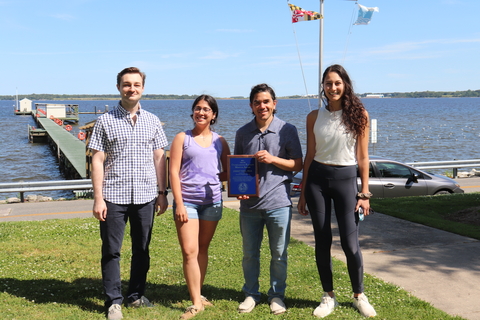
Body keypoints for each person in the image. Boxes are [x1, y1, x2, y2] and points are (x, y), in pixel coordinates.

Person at [297, 64, 377, 318]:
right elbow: (309, 156)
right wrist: (301, 193)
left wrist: (364, 193)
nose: (333, 88)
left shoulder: (359, 115)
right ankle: (328, 296)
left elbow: (363, 158)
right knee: (322, 241)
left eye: (337, 83)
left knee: (350, 244)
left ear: (345, 85)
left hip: (345, 180)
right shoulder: (313, 117)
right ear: (323, 86)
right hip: (317, 181)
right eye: (328, 83)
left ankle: (359, 295)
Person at [89, 67, 169, 320]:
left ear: (142, 88)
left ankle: (135, 295)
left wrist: (162, 192)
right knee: (111, 250)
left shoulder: (153, 120)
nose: (131, 88)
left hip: (146, 195)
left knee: (142, 249)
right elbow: (98, 159)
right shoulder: (105, 121)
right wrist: (98, 197)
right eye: (126, 84)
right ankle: (114, 301)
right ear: (118, 88)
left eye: (136, 84)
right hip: (114, 196)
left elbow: (159, 158)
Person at [234, 83, 303, 315]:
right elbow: (239, 165)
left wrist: (273, 159)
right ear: (251, 106)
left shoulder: (288, 130)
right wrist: (238, 189)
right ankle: (251, 293)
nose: (262, 106)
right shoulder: (242, 132)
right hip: (249, 205)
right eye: (257, 102)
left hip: (278, 202)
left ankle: (276, 295)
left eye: (266, 101)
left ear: (274, 103)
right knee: (249, 253)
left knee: (279, 253)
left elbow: (297, 164)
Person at [169, 95, 230, 319]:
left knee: (202, 249)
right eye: (197, 108)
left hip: (212, 201)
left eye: (206, 109)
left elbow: (230, 170)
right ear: (193, 112)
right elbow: (173, 172)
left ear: (213, 115)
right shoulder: (181, 138)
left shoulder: (220, 141)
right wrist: (180, 204)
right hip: (188, 202)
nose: (201, 113)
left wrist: (238, 183)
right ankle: (196, 303)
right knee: (189, 251)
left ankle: (199, 294)